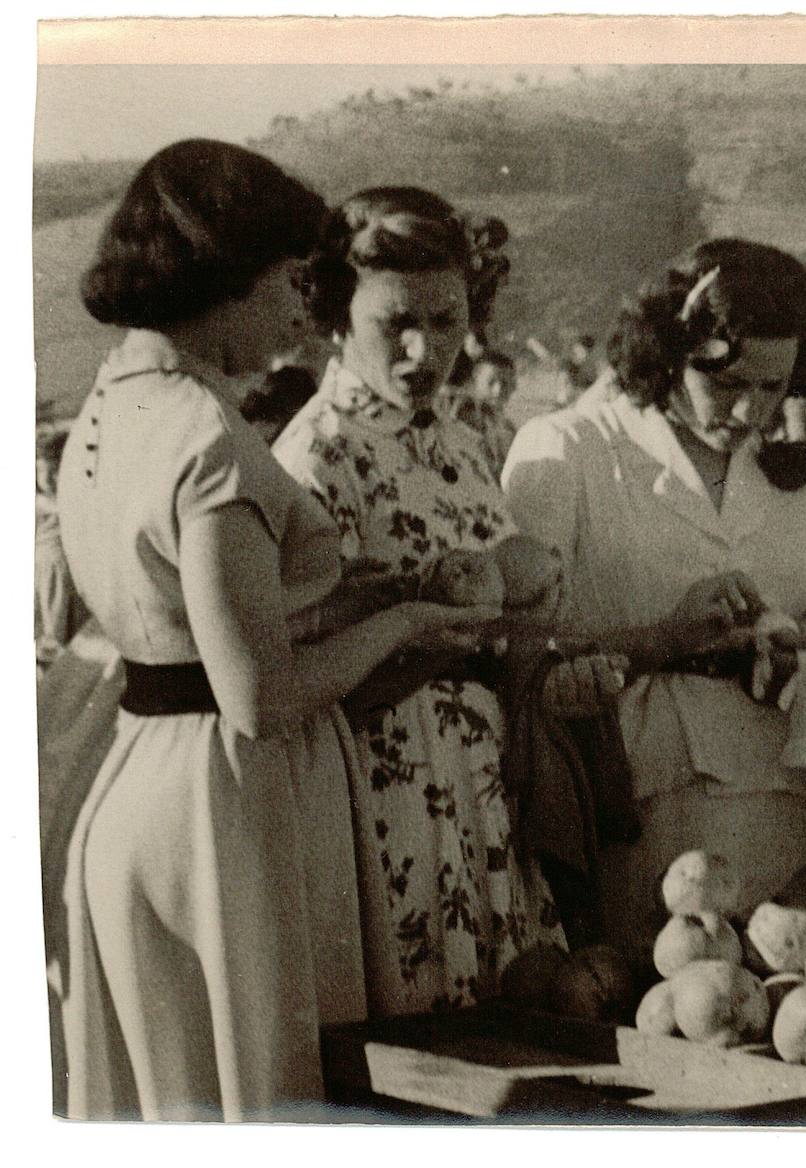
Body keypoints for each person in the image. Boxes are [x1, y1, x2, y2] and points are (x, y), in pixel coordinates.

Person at [55, 141, 483, 1121]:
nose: (304, 312)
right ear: (224, 279)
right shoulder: (209, 441)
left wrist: (382, 589)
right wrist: (416, 618)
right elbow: (260, 697)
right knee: (263, 1103)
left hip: (139, 776)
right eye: (292, 283)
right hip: (226, 803)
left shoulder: (114, 404)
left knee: (178, 1102)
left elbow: (188, 621)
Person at [503, 239, 806, 962]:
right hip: (634, 791)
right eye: (727, 385)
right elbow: (513, 661)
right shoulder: (569, 451)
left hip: (775, 790)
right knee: (650, 989)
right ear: (668, 352)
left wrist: (803, 651)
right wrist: (667, 638)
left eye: (774, 388)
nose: (750, 411)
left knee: (774, 991)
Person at [273, 187, 575, 1017]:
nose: (423, 349)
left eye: (447, 322)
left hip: (486, 776)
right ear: (337, 317)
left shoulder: (462, 440)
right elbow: (298, 669)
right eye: (394, 323)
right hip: (385, 788)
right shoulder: (315, 458)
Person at [35, 421, 85, 675]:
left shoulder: (70, 497)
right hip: (52, 568)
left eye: (53, 472)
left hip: (64, 569)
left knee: (65, 626)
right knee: (55, 627)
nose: (47, 479)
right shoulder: (41, 504)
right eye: (42, 472)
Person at [439, 348, 519, 477]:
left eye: (505, 383)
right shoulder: (451, 405)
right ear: (475, 377)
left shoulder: (505, 427)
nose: (498, 390)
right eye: (491, 381)